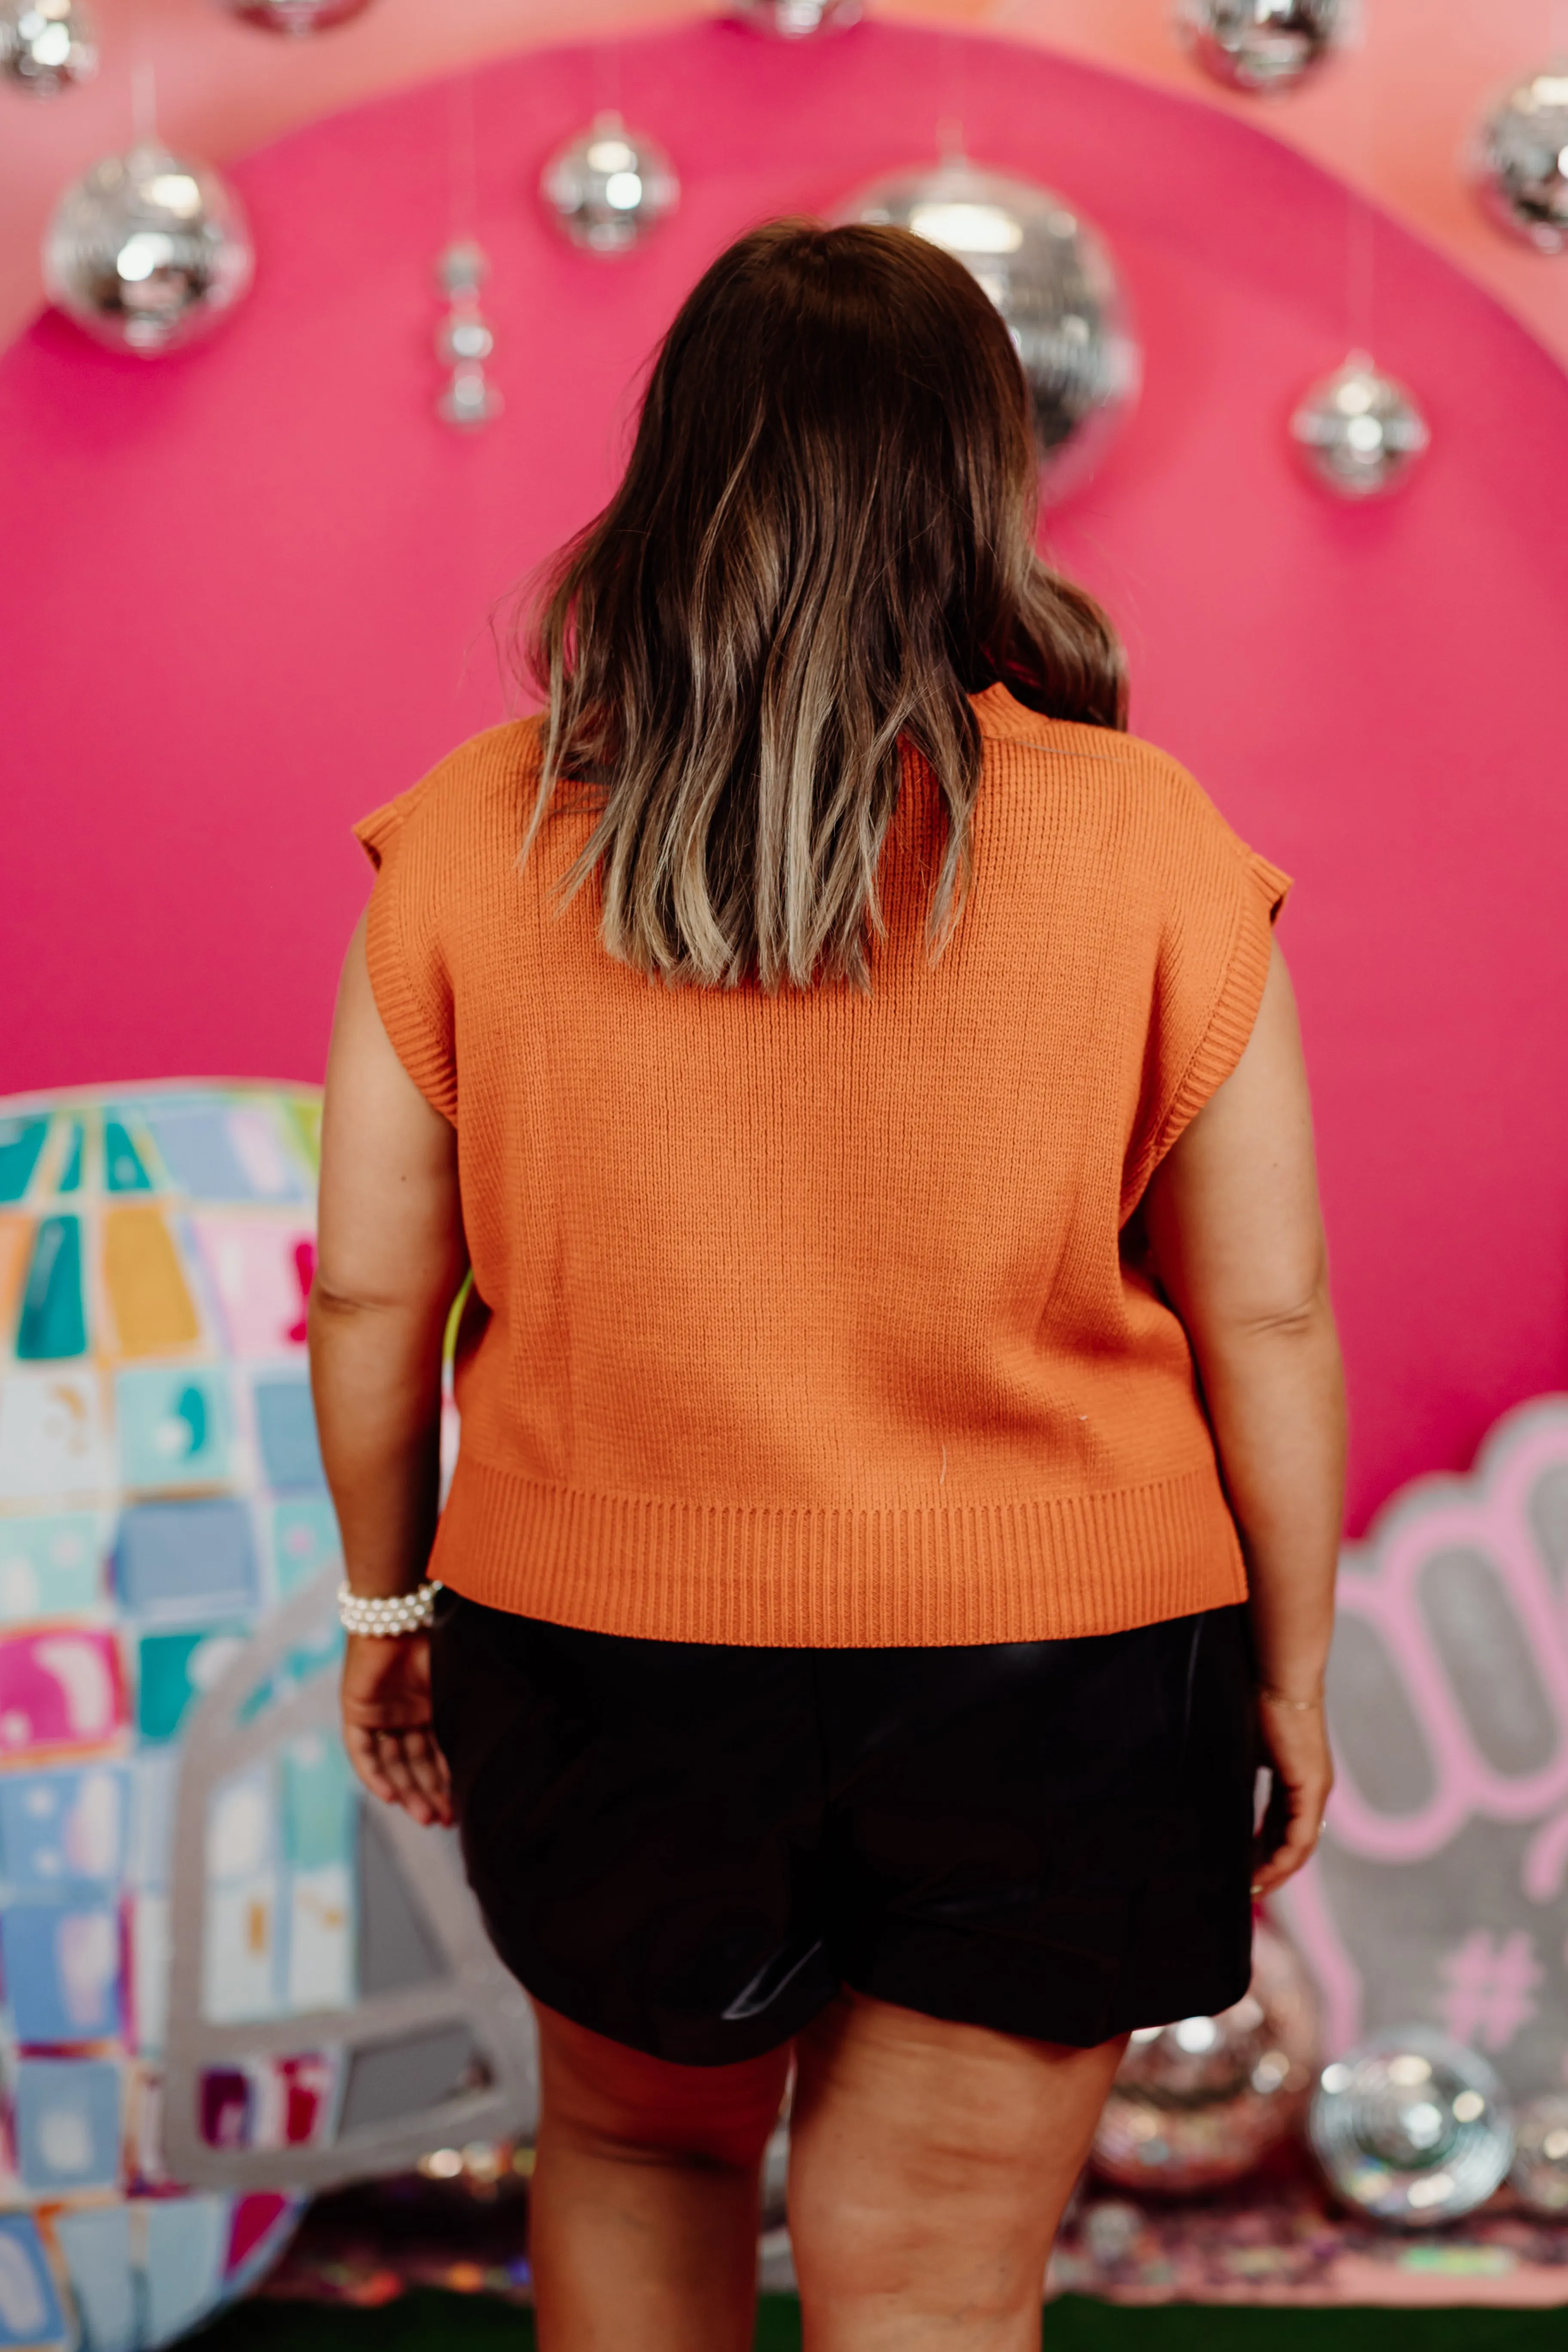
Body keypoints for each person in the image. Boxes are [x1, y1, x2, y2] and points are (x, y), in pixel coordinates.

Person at [307, 220, 1343, 2352]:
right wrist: (1291, 1675)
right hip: (1062, 1658)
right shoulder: (1149, 839)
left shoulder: (478, 839)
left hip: (604, 1646)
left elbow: (369, 1305)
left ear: (678, 466)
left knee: (642, 2158)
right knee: (943, 2278)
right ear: (986, 483)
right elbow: (1269, 1317)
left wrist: (388, 1604)